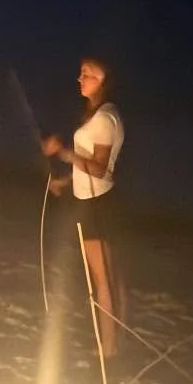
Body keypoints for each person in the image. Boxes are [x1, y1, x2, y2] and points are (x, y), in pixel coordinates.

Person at [42, 56, 127, 357]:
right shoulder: (100, 115)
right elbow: (89, 165)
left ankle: (109, 347)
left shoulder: (105, 118)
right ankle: (114, 338)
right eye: (80, 74)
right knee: (109, 274)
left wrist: (62, 152)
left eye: (88, 75)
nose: (80, 79)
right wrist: (64, 183)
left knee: (102, 277)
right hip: (95, 199)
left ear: (103, 81)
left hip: (97, 204)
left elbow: (101, 168)